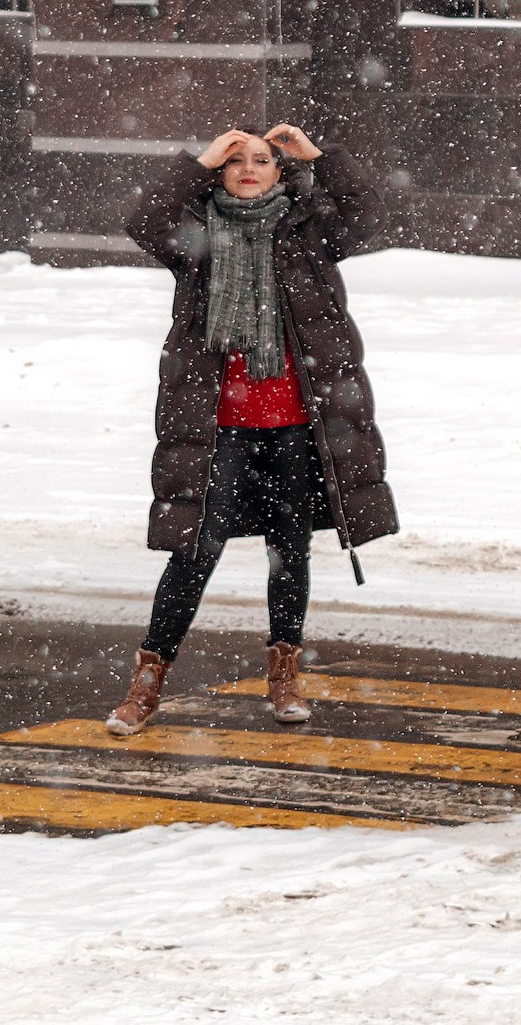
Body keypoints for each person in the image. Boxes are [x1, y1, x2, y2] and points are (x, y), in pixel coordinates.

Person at [106, 123, 399, 735]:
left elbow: (368, 215)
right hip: (219, 426)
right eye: (234, 161)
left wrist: (323, 156)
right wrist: (198, 157)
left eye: (261, 160)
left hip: (295, 422)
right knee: (194, 554)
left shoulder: (306, 233)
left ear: (279, 171)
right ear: (219, 173)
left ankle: (284, 678)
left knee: (288, 553)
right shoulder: (196, 240)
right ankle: (146, 684)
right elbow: (143, 221)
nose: (247, 168)